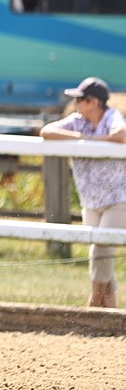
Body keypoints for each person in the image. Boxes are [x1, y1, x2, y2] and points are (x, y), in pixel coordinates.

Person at [39, 77, 126, 308]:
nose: (76, 103)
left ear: (93, 102)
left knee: (101, 246)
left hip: (119, 198)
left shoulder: (112, 117)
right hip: (91, 198)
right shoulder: (78, 122)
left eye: (80, 99)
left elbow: (121, 134)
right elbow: (47, 131)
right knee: (99, 251)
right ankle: (109, 307)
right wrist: (84, 139)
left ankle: (94, 301)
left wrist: (96, 141)